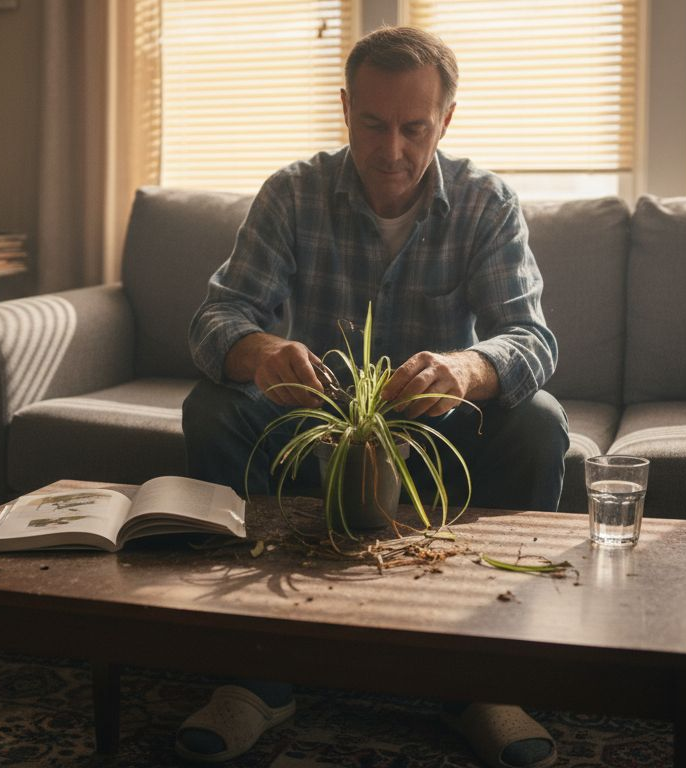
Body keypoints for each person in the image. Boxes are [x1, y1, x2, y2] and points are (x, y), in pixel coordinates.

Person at [180, 26, 568, 768]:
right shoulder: (292, 193)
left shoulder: (486, 202)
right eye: (372, 124)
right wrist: (260, 352)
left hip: (435, 434)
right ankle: (255, 678)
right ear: (344, 110)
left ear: (445, 121)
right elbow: (215, 319)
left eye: (413, 128)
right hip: (311, 428)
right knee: (212, 408)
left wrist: (467, 369)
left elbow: (532, 338)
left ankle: (481, 683)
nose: (392, 150)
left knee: (540, 424)